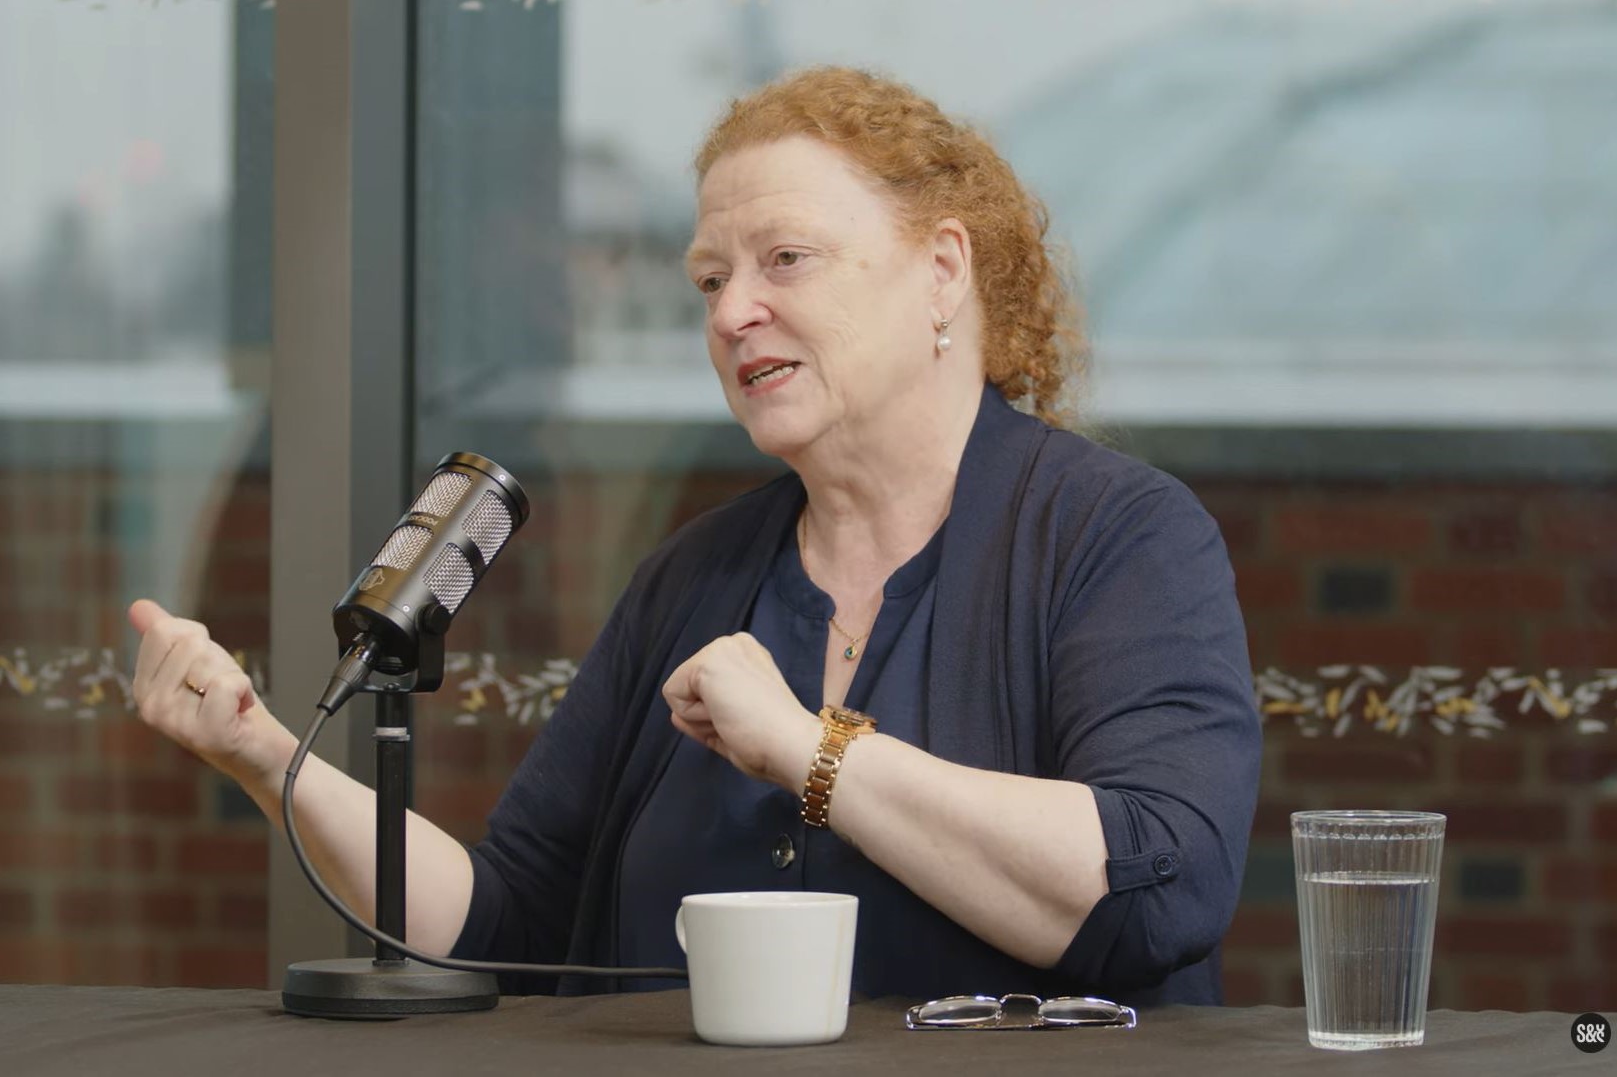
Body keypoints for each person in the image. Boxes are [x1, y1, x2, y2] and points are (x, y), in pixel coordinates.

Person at [128, 66, 1261, 1006]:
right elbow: (501, 915)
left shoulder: (1119, 538)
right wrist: (268, 757)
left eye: (786, 260)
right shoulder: (695, 574)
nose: (730, 313)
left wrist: (810, 750)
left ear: (943, 272)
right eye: (710, 279)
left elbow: (1159, 879)